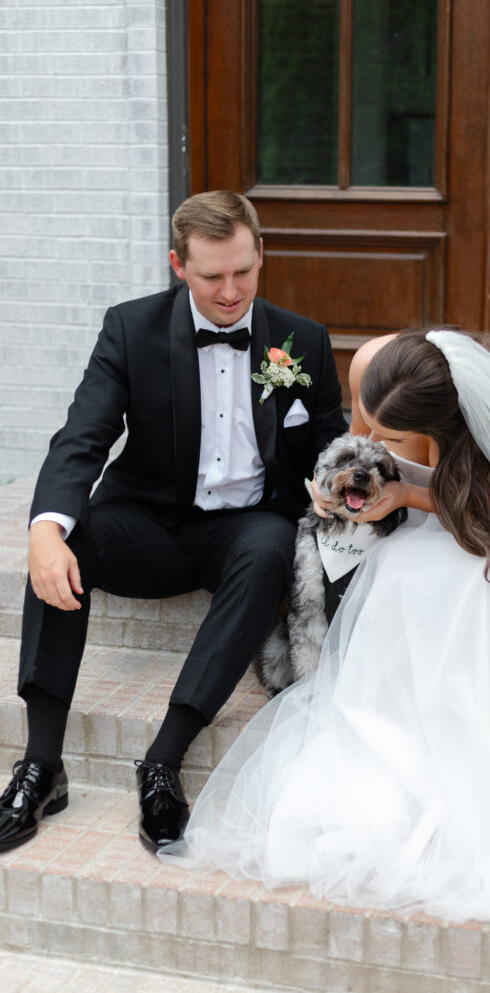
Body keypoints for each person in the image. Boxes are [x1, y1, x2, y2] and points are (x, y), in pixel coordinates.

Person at [160, 326, 490, 926]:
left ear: (443, 435)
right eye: (367, 425)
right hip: (452, 496)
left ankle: (463, 735)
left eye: (391, 437)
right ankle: (386, 718)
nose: (371, 440)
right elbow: (367, 450)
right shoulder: (376, 367)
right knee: (403, 565)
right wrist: (358, 490)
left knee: (436, 576)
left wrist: (409, 494)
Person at [0, 190, 347, 854]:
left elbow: (328, 442)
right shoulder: (131, 329)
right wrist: (44, 528)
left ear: (259, 254)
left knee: (270, 544)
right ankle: (41, 764)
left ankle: (163, 761)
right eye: (211, 275)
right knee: (66, 538)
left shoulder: (303, 339)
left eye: (242, 271)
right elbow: (82, 436)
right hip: (148, 525)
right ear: (177, 265)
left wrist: (330, 485)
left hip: (243, 528)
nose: (229, 291)